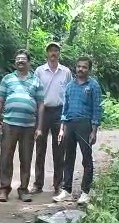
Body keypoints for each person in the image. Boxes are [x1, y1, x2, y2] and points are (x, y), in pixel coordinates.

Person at [0, 49, 44, 203]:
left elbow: (40, 105)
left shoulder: (36, 81)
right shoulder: (8, 79)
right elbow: (0, 100)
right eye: (18, 59)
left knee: (26, 158)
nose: (20, 61)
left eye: (23, 59)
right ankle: (4, 189)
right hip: (9, 124)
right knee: (6, 157)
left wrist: (39, 127)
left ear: (29, 62)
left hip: (28, 126)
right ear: (15, 62)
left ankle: (23, 189)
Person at [53, 56, 103, 204]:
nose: (81, 69)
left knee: (86, 158)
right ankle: (66, 190)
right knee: (68, 158)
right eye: (79, 66)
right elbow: (65, 108)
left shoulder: (93, 86)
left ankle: (85, 191)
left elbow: (97, 109)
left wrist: (94, 130)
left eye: (84, 67)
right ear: (75, 67)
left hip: (85, 124)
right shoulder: (70, 86)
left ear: (89, 69)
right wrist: (62, 128)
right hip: (69, 124)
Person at [32, 42, 71, 195]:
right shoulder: (39, 71)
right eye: (51, 51)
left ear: (59, 53)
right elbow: (34, 92)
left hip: (60, 112)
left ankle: (58, 184)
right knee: (40, 148)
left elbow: (68, 94)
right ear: (47, 54)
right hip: (43, 111)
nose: (53, 53)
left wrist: (66, 116)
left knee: (60, 148)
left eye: (56, 50)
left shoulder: (65, 72)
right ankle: (38, 183)